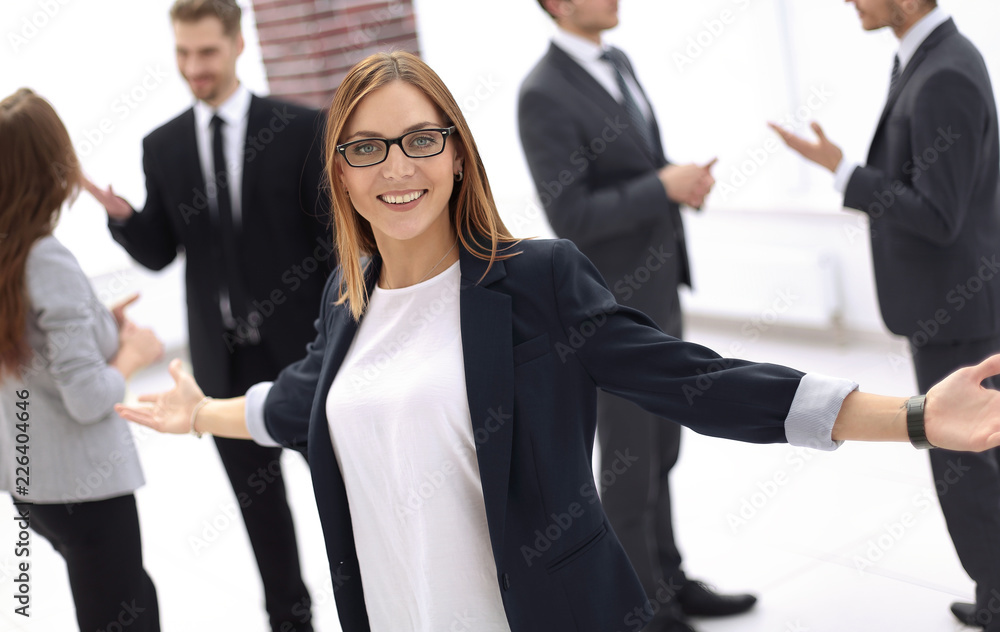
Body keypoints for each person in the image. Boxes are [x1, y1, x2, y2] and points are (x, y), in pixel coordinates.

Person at [115, 50, 1000, 632]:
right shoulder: (347, 308)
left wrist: (919, 417)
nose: (397, 168)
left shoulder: (534, 280)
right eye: (367, 148)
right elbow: (297, 403)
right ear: (338, 173)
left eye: (422, 139)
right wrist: (200, 415)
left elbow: (704, 382)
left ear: (458, 154)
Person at [83, 1, 331, 629]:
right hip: (222, 364)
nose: (194, 67)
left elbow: (331, 245)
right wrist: (123, 219)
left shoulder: (300, 129)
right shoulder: (162, 146)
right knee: (262, 518)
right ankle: (291, 622)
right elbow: (162, 252)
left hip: (305, 356)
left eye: (207, 53)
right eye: (183, 53)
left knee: (344, 495)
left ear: (238, 45)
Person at [770, 1, 1000, 628]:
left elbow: (937, 215)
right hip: (956, 304)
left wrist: (843, 171)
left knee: (965, 463)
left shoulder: (945, 71)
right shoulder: (928, 59)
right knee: (974, 457)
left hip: (956, 310)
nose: (852, 1)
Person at [516, 2, 739, 630]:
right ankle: (642, 603)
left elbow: (640, 171)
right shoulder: (542, 92)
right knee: (629, 458)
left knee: (663, 445)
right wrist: (662, 187)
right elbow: (573, 216)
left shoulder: (619, 61)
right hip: (608, 304)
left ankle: (668, 574)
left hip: (659, 290)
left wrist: (677, 188)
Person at [0, 88, 164, 631]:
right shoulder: (45, 258)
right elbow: (89, 398)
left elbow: (27, 351)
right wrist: (132, 354)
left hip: (32, 482)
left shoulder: (11, 252)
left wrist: (96, 324)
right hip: (86, 490)